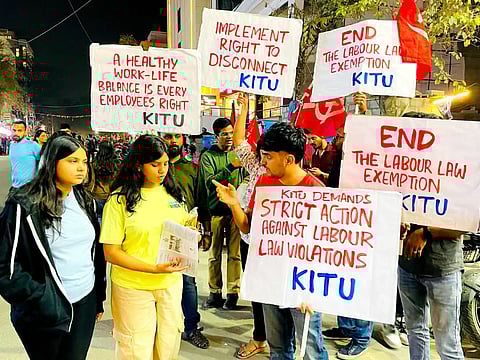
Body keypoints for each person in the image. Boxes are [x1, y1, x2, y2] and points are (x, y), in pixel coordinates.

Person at [213, 123, 329, 360]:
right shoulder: (264, 183)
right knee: (278, 346)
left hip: (302, 284)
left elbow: (327, 247)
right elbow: (248, 227)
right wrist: (234, 204)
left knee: (311, 348)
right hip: (271, 279)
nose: (263, 162)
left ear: (289, 159)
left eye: (268, 156)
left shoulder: (316, 190)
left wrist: (313, 291)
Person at [0, 135, 107, 360]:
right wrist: (40, 298)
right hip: (45, 311)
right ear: (51, 161)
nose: (81, 168)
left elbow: (93, 253)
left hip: (84, 303)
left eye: (84, 162)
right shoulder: (24, 204)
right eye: (72, 161)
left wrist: (97, 297)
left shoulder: (84, 199)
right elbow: (5, 266)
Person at [100, 135, 190, 360]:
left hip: (170, 284)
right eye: (155, 165)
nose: (162, 170)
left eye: (166, 164)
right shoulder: (119, 200)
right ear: (138, 165)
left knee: (168, 346)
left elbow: (180, 232)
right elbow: (111, 252)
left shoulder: (173, 194)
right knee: (136, 349)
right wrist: (153, 268)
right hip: (133, 287)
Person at [397, 112, 465, 360]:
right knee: (416, 332)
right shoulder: (400, 171)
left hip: (443, 269)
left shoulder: (455, 173)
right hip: (407, 267)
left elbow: (466, 223)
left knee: (447, 342)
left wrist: (425, 232)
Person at [162, 132, 209, 349]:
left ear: (183, 140)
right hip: (156, 233)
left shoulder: (192, 169)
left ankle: (191, 328)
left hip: (185, 234)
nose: (173, 141)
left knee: (188, 283)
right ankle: (160, 326)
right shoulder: (151, 169)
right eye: (168, 136)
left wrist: (206, 231)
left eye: (176, 137)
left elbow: (202, 199)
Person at [197, 117, 247, 310]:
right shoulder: (208, 157)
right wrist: (231, 167)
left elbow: (248, 178)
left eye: (231, 133)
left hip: (235, 212)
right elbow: (209, 182)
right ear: (216, 136)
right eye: (224, 134)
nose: (228, 137)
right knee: (214, 254)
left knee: (235, 255)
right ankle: (214, 292)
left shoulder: (239, 154)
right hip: (215, 211)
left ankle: (233, 293)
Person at [232, 93, 267, 359]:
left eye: (270, 155)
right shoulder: (257, 167)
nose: (264, 160)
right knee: (255, 290)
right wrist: (244, 109)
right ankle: (260, 336)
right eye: (262, 154)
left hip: (274, 247)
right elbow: (238, 142)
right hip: (249, 239)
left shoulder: (297, 180)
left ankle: (274, 339)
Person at [9, 120, 41, 188]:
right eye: (14, 130)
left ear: (25, 132)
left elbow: (41, 163)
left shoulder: (33, 145)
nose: (16, 133)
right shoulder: (11, 146)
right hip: (14, 186)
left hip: (29, 188)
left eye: (19, 130)